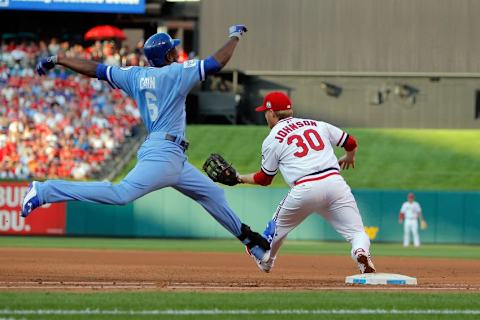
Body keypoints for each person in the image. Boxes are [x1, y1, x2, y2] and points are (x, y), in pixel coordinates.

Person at [22, 25, 270, 262]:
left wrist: (59, 59)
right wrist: (235, 36)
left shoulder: (135, 75)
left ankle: (250, 242)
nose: (176, 52)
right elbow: (217, 62)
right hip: (163, 155)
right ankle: (45, 191)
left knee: (212, 193)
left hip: (172, 156)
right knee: (121, 194)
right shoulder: (176, 73)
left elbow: (94, 69)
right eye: (173, 49)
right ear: (168, 55)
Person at [237, 91, 375, 274]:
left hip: (305, 188)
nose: (265, 116)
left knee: (275, 230)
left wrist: (239, 178)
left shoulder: (272, 139)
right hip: (335, 184)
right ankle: (360, 252)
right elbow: (350, 142)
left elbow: (264, 179)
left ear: (271, 113)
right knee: (357, 232)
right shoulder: (317, 124)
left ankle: (266, 261)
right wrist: (349, 157)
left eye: (265, 112)